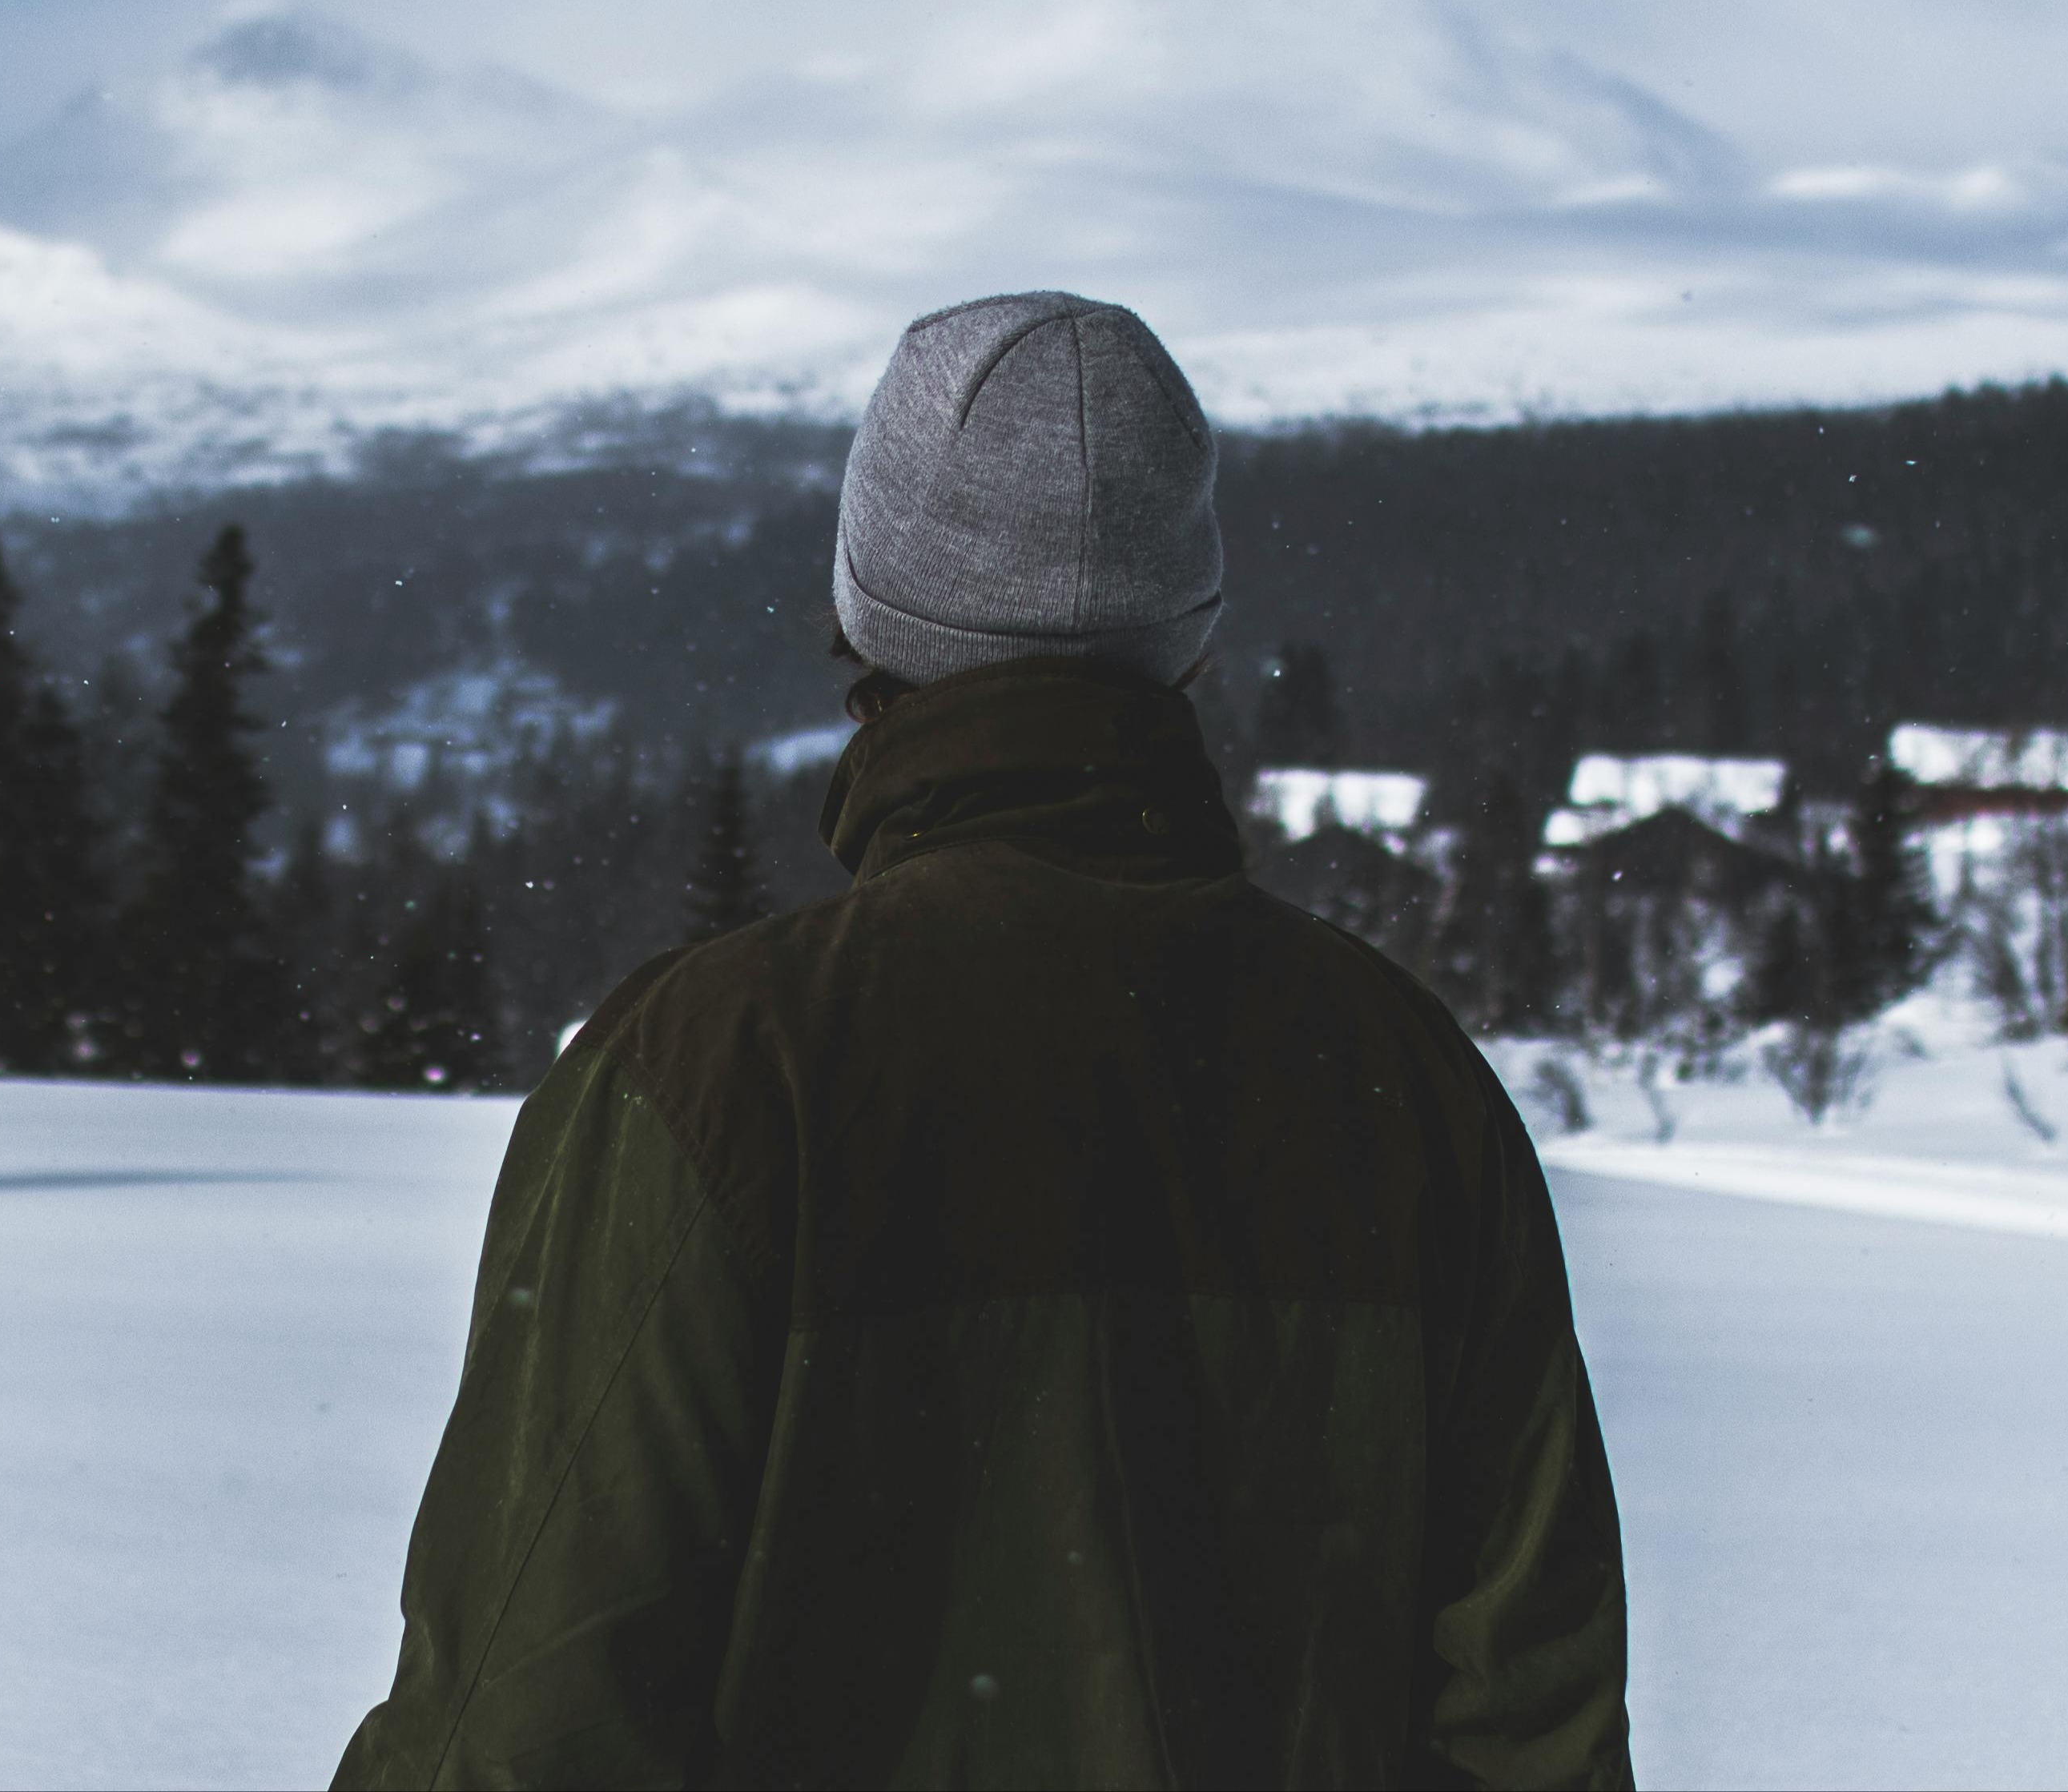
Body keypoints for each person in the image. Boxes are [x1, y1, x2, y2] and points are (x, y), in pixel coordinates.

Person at [336, 292, 1629, 1789]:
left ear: (865, 614)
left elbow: (525, 1713)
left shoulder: (724, 1070)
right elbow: (1535, 1729)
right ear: (1190, 642)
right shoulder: (1409, 1087)